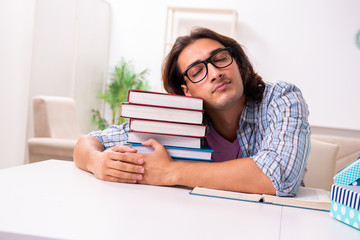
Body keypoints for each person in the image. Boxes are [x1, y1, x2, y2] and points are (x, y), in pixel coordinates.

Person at [74, 27, 311, 197]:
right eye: (197, 71)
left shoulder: (281, 98)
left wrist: (171, 172)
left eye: (220, 59)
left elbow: (279, 177)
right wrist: (97, 162)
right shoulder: (177, 119)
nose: (215, 73)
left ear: (238, 64)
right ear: (187, 91)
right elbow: (88, 142)